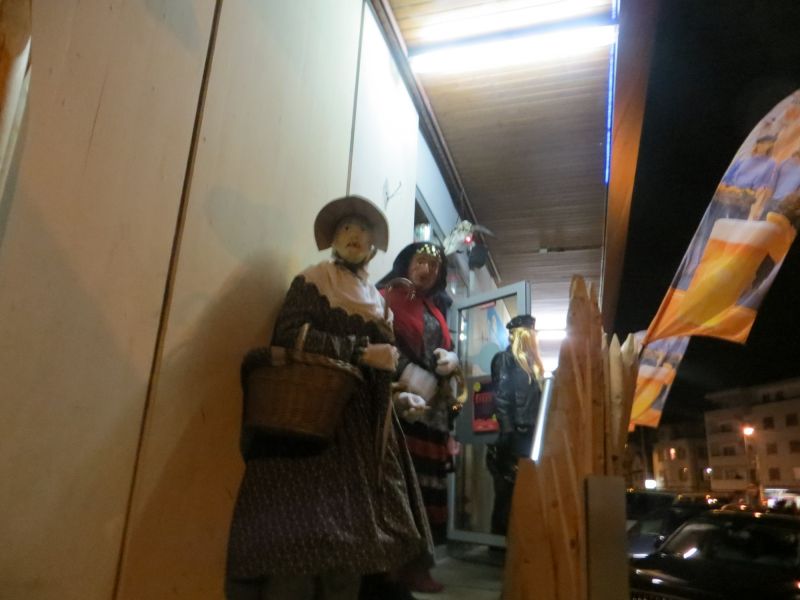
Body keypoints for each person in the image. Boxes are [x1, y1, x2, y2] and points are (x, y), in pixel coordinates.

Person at [225, 196, 432, 600]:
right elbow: (290, 335)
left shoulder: (378, 303)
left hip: (365, 436)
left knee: (353, 543)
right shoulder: (315, 280)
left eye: (363, 231)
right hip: (313, 422)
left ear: (373, 246)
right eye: (346, 229)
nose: (354, 236)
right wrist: (357, 351)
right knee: (299, 539)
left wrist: (397, 396)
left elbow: (381, 366)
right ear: (334, 239)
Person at [376, 242, 460, 594]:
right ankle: (390, 571)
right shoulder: (385, 297)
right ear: (407, 263)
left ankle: (416, 566)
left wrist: (451, 361)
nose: (427, 269)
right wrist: (407, 374)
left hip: (432, 417)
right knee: (399, 489)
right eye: (420, 261)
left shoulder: (436, 310)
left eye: (434, 266)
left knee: (426, 492)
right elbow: (377, 342)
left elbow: (446, 354)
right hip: (400, 408)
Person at [486, 314, 544, 537]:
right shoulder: (506, 359)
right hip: (516, 436)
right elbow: (502, 398)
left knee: (522, 494)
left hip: (529, 436)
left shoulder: (531, 366)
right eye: (532, 333)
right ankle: (499, 544)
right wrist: (507, 432)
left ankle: (515, 542)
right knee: (507, 495)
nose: (535, 337)